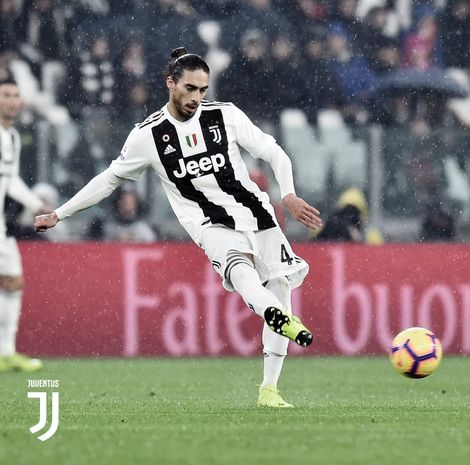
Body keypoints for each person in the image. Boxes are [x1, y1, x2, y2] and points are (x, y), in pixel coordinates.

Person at [34, 48, 323, 407]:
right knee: (241, 269)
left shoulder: (225, 116)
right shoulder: (148, 137)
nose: (196, 98)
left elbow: (274, 152)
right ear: (170, 83)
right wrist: (60, 213)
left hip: (257, 212)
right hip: (209, 223)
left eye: (202, 90)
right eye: (189, 88)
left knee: (280, 284)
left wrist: (290, 195)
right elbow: (107, 181)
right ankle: (277, 317)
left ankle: (269, 389)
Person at [0, 77, 50, 372]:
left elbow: (11, 181)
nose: (12, 100)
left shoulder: (13, 138)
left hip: (1, 227)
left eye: (16, 95)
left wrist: (36, 205)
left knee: (13, 283)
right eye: (5, 94)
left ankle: (6, 352)